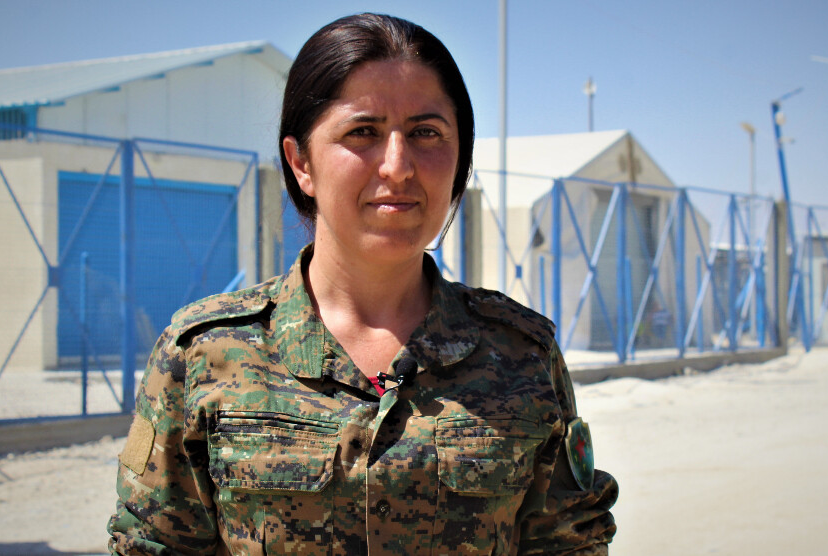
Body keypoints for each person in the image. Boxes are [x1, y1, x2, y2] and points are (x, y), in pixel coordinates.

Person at [108, 13, 616, 554]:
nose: (398, 166)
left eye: (426, 133)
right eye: (363, 132)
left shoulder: (522, 354)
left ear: (460, 159)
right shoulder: (202, 356)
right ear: (301, 162)